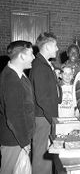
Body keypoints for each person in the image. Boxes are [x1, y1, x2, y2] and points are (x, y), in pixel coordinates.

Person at [0, 40, 35, 173]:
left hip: (19, 138)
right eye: (31, 54)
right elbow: (14, 116)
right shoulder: (11, 79)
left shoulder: (19, 75)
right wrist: (24, 141)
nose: (33, 57)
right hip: (14, 140)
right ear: (21, 56)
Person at [29, 32, 62, 174]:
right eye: (55, 45)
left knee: (46, 154)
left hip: (45, 116)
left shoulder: (44, 64)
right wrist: (53, 120)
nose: (57, 49)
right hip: (43, 117)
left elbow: (53, 92)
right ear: (48, 46)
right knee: (41, 157)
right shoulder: (40, 66)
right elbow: (42, 98)